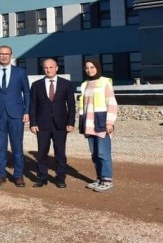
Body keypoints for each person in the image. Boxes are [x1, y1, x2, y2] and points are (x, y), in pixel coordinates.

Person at [0, 45, 31, 187]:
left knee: (17, 147)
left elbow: (27, 93)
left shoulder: (20, 72)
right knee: (0, 147)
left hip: (16, 114)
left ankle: (18, 176)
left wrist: (27, 111)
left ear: (11, 55)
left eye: (7, 54)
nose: (4, 56)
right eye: (1, 54)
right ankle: (1, 175)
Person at [29, 58, 75, 188]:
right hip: (42, 124)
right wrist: (33, 123)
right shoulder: (36, 85)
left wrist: (71, 122)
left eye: (51, 67)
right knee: (42, 153)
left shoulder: (66, 84)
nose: (48, 70)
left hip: (60, 124)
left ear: (56, 68)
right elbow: (33, 105)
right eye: (46, 68)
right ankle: (42, 177)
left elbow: (71, 105)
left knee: (60, 153)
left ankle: (60, 178)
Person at [79, 58, 118, 193]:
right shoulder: (84, 84)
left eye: (92, 67)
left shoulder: (104, 82)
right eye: (87, 68)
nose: (89, 70)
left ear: (97, 68)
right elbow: (82, 106)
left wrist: (110, 122)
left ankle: (107, 180)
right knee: (95, 154)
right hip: (88, 125)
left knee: (103, 153)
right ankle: (100, 178)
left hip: (101, 124)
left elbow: (112, 103)